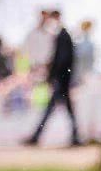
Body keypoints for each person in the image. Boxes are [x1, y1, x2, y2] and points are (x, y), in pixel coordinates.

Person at [23, 10, 81, 146]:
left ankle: (37, 137)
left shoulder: (62, 36)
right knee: (65, 110)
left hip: (61, 81)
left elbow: (61, 60)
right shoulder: (62, 35)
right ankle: (75, 137)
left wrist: (53, 76)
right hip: (62, 80)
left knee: (51, 110)